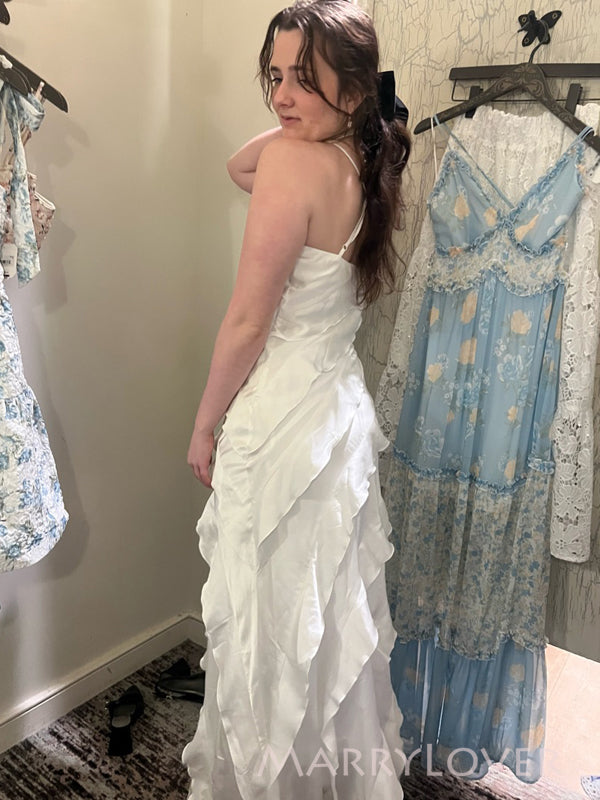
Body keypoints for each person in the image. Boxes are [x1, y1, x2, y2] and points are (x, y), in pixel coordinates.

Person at [182, 1, 410, 797]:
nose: (281, 96)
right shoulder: (361, 160)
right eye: (274, 77)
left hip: (281, 419)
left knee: (274, 624)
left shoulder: (293, 163)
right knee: (326, 616)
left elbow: (248, 323)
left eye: (302, 80)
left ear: (355, 87)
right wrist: (310, 114)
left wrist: (204, 424)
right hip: (336, 417)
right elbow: (236, 167)